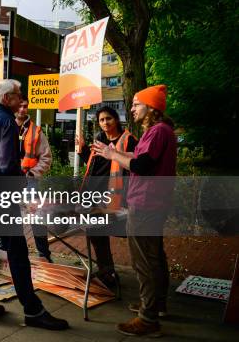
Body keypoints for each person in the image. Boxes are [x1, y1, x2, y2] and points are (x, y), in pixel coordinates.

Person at [0, 79, 68, 330]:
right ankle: (33, 311)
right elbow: (6, 166)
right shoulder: (7, 122)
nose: (21, 98)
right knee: (17, 253)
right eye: (18, 95)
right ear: (7, 99)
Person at [93, 85, 176, 337]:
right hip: (154, 203)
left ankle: (147, 319)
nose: (132, 108)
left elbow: (142, 164)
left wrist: (112, 154)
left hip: (146, 204)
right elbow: (140, 155)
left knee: (144, 261)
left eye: (137, 104)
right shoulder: (159, 131)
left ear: (150, 107)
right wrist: (114, 153)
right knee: (154, 256)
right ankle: (155, 304)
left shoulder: (158, 131)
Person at [77, 106, 137, 288]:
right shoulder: (99, 138)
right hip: (93, 194)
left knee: (106, 232)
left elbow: (134, 167)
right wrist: (82, 152)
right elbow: (94, 164)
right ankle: (107, 272)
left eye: (108, 119)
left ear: (116, 119)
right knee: (95, 232)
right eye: (102, 120)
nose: (105, 123)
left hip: (114, 196)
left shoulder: (129, 140)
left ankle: (108, 272)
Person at [15, 98, 53, 262]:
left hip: (29, 181)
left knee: (36, 218)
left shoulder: (36, 131)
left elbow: (46, 158)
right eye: (20, 106)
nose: (23, 109)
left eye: (25, 106)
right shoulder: (4, 127)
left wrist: (32, 173)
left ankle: (44, 255)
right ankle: (6, 253)